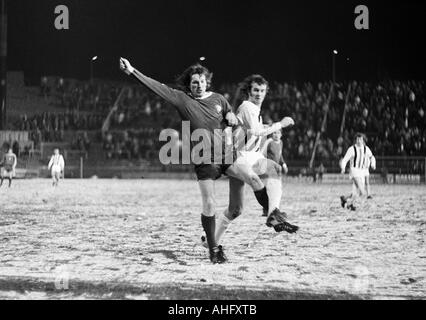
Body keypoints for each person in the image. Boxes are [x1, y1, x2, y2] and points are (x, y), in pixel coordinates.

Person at [120, 59, 296, 264]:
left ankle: (272, 217)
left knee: (254, 179)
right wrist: (132, 71)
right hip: (204, 159)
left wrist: (231, 117)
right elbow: (157, 87)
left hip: (226, 156)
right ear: (189, 84)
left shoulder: (219, 99)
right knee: (210, 204)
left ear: (207, 82)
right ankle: (213, 248)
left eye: (202, 81)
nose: (199, 85)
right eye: (195, 82)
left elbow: (231, 115)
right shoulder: (182, 99)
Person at [213, 75, 299, 248]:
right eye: (256, 90)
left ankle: (211, 240)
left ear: (266, 92)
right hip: (238, 156)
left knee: (235, 209)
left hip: (248, 156)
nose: (259, 94)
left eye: (262, 91)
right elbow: (257, 132)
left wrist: (271, 126)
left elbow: (257, 130)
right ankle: (272, 214)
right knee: (259, 177)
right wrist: (280, 124)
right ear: (249, 92)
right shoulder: (247, 106)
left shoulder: (255, 111)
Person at [340, 133, 374, 210]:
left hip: (362, 172)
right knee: (363, 192)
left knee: (356, 193)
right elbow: (345, 160)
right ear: (355, 140)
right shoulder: (351, 149)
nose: (359, 141)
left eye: (360, 139)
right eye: (357, 139)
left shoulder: (366, 149)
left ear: (363, 140)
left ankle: (345, 200)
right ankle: (351, 204)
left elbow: (372, 157)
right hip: (354, 171)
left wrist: (373, 164)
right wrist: (343, 168)